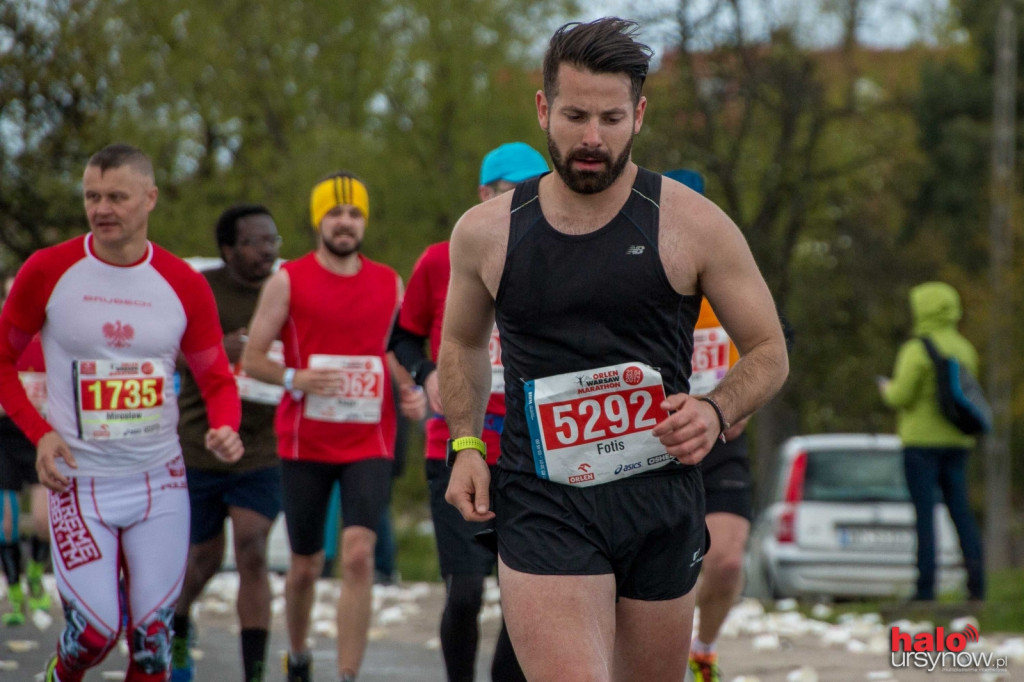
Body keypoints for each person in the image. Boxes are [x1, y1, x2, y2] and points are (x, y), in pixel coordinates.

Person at [438, 18, 789, 682]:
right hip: (543, 496)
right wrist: (464, 444)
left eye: (611, 117)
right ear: (544, 109)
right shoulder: (487, 233)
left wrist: (715, 412)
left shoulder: (693, 223)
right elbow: (459, 345)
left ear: (640, 116)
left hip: (660, 499)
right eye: (574, 115)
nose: (592, 137)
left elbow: (769, 349)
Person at [0, 143, 244, 682]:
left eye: (116, 196)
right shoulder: (49, 271)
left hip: (159, 481)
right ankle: (57, 674)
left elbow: (217, 377)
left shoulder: (182, 283)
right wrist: (39, 434)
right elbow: (2, 360)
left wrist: (225, 425)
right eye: (92, 196)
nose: (101, 208)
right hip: (79, 483)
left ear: (150, 199)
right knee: (92, 635)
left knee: (153, 646)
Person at [241, 171, 425, 682]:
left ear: (364, 221)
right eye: (336, 213)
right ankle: (298, 656)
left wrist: (412, 389)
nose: (345, 222)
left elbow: (394, 352)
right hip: (306, 442)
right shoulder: (289, 280)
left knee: (361, 556)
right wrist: (297, 376)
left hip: (370, 437)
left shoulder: (389, 281)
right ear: (319, 219)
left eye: (355, 213)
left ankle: (347, 673)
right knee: (305, 566)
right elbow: (253, 359)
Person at [389, 141, 549, 681]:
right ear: (485, 194)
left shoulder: (558, 261)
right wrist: (429, 375)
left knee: (522, 595)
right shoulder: (442, 258)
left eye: (534, 192)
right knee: (465, 591)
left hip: (534, 453)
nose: (523, 204)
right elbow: (404, 337)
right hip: (458, 446)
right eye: (511, 192)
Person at [170, 204, 283, 682]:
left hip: (264, 445)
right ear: (228, 249)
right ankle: (176, 626)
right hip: (203, 442)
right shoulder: (201, 289)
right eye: (257, 242)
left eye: (273, 241)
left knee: (253, 547)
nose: (269, 251)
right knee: (203, 557)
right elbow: (166, 354)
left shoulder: (284, 289)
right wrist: (219, 350)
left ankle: (253, 670)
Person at [878, 281, 985, 602]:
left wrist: (886, 388)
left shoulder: (915, 349)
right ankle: (977, 586)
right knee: (961, 514)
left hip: (920, 445)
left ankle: (925, 590)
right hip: (957, 443)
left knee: (924, 515)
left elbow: (901, 396)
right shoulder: (965, 348)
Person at [0, 271, 51, 627]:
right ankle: (15, 595)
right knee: (6, 525)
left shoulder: (54, 337)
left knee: (45, 521)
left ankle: (36, 575)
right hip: (3, 435)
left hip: (40, 435)